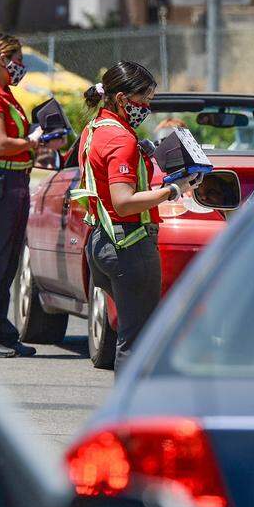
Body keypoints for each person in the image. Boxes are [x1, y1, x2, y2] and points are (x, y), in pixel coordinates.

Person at [72, 62, 200, 371]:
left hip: (102, 241)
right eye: (143, 100)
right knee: (138, 343)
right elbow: (124, 202)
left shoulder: (94, 129)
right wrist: (174, 190)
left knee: (130, 336)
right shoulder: (121, 139)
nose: (147, 108)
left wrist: (144, 154)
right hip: (129, 245)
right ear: (121, 99)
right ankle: (131, 402)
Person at [0, 33, 64, 358]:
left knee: (8, 264)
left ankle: (1, 332)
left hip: (14, 180)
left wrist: (42, 136)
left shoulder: (5, 93)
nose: (20, 65)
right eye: (16, 59)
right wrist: (35, 141)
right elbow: (0, 143)